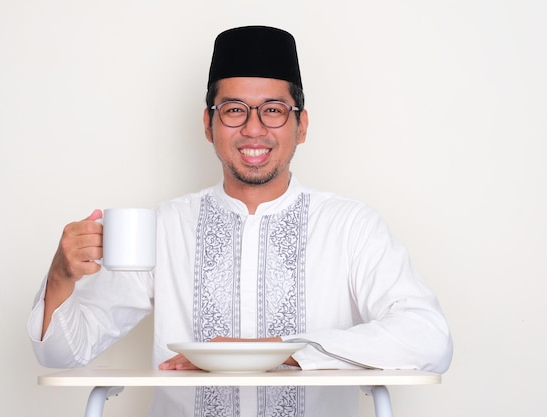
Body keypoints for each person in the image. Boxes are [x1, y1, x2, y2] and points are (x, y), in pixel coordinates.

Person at [28, 26, 452, 416]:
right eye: (233, 110)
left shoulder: (350, 225)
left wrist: (282, 351)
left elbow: (428, 337)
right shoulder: (165, 227)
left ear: (301, 125)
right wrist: (61, 276)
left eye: (273, 110)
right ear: (208, 125)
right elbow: (64, 353)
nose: (253, 129)